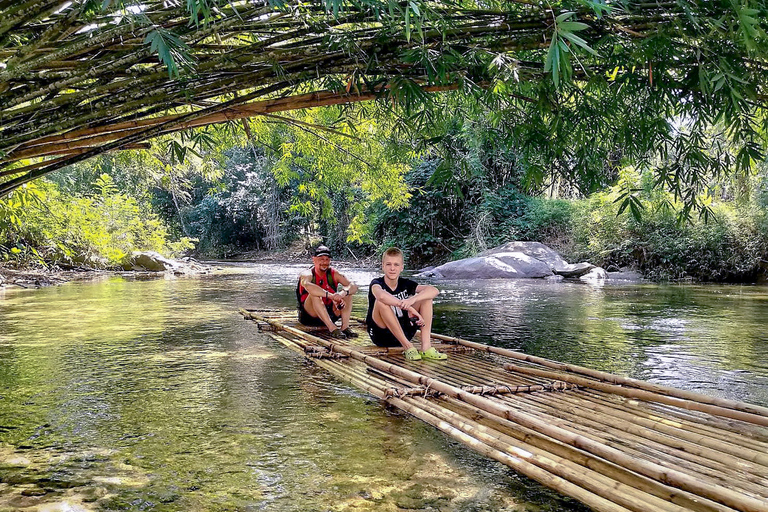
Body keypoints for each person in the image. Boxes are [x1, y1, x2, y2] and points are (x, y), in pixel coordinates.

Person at [365, 247, 447, 361]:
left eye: (396, 265)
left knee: (426, 298)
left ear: (402, 267)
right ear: (383, 266)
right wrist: (408, 308)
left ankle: (426, 347)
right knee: (381, 302)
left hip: (405, 332)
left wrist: (412, 300)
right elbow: (381, 296)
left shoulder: (406, 284)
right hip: (382, 336)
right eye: (388, 264)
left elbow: (434, 290)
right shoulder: (377, 283)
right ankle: (408, 347)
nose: (392, 268)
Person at [297, 245, 359, 339]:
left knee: (348, 293)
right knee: (314, 293)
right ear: (314, 259)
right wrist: (330, 296)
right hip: (310, 316)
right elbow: (307, 285)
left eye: (327, 259)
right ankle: (332, 328)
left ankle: (345, 327)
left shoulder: (334, 273)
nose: (324, 262)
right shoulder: (307, 274)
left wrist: (341, 294)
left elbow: (353, 285)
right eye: (321, 259)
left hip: (330, 313)